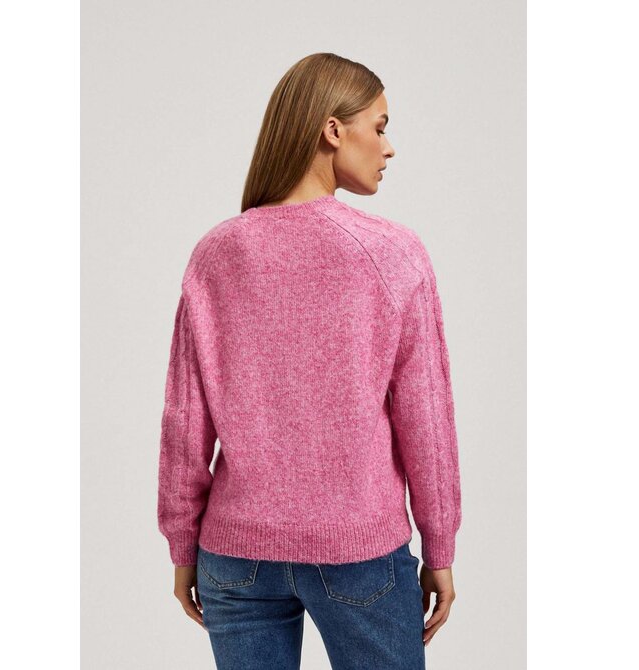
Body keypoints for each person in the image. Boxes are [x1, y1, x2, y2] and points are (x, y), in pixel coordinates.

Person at [157, 52, 462, 670]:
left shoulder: (216, 253)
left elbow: (185, 421)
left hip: (235, 558)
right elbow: (425, 419)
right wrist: (440, 545)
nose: (389, 147)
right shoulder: (392, 253)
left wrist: (182, 545)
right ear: (333, 129)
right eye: (379, 127)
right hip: (360, 552)